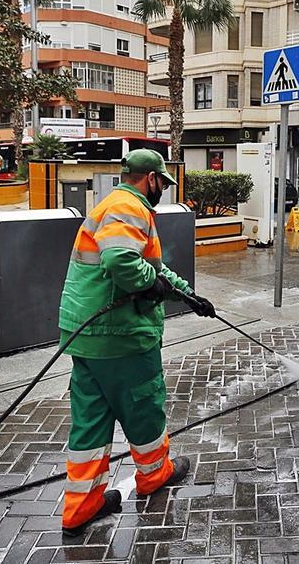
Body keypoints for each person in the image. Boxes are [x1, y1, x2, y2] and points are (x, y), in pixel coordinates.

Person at [57, 149, 216, 537]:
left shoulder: (114, 205)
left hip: (87, 337)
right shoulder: (130, 206)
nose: (163, 189)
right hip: (121, 335)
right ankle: (154, 475)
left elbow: (153, 270)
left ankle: (81, 506)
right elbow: (122, 263)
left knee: (91, 421)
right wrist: (154, 284)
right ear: (151, 179)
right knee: (144, 405)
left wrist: (187, 295)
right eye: (163, 182)